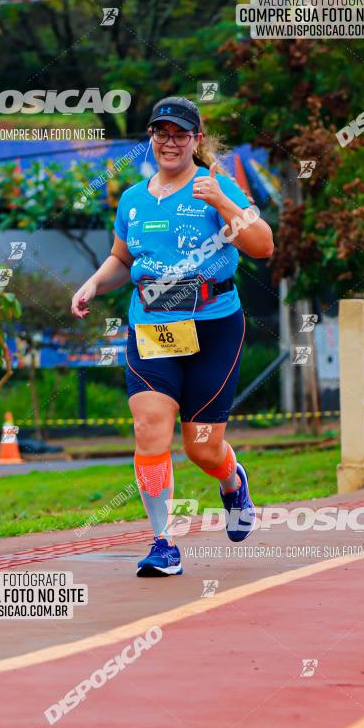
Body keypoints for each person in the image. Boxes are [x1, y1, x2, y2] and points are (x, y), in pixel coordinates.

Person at [71, 96, 274, 577]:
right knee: (149, 428)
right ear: (151, 137)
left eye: (180, 133)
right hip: (152, 326)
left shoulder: (218, 187)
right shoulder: (134, 199)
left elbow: (263, 245)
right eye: (161, 132)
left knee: (202, 447)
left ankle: (231, 480)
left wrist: (223, 202)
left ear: (196, 139)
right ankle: (163, 542)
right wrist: (95, 282)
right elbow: (123, 258)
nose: (170, 141)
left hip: (214, 327)